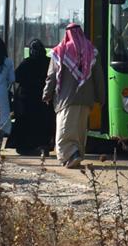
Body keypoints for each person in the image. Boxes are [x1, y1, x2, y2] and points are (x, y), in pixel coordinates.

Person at [43, 24, 105, 169]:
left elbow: (51, 76)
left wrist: (46, 94)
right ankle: (75, 155)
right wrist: (101, 98)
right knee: (79, 130)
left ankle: (71, 155)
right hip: (86, 100)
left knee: (64, 132)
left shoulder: (60, 52)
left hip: (67, 99)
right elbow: (98, 78)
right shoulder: (91, 51)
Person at [8, 39, 55, 156]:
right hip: (44, 99)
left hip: (26, 100)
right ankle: (44, 146)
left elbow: (16, 77)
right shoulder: (49, 62)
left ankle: (27, 147)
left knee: (26, 124)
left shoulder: (27, 62)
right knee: (43, 123)